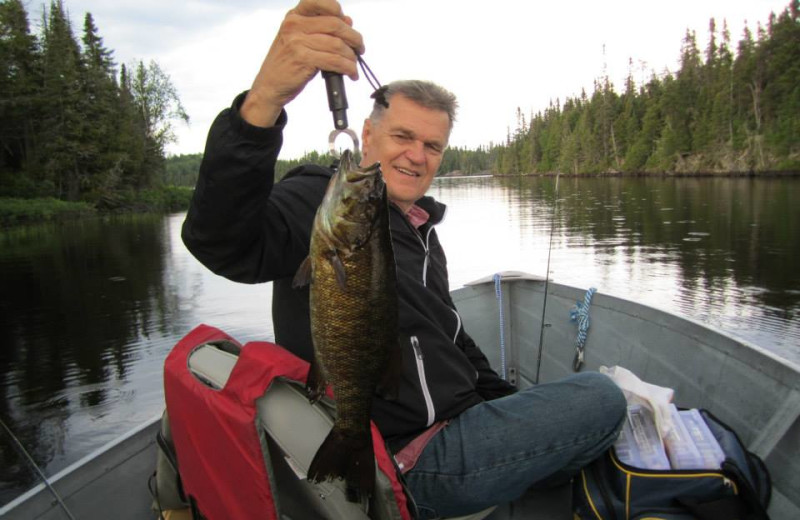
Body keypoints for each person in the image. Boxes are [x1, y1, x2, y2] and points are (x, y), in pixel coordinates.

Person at [181, 0, 626, 517]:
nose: (417, 154)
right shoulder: (320, 202)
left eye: (433, 145)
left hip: (461, 426)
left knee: (568, 411)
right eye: (403, 136)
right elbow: (222, 242)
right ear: (366, 135)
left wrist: (505, 404)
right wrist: (262, 104)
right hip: (409, 459)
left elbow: (452, 335)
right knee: (605, 398)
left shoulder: (421, 231)